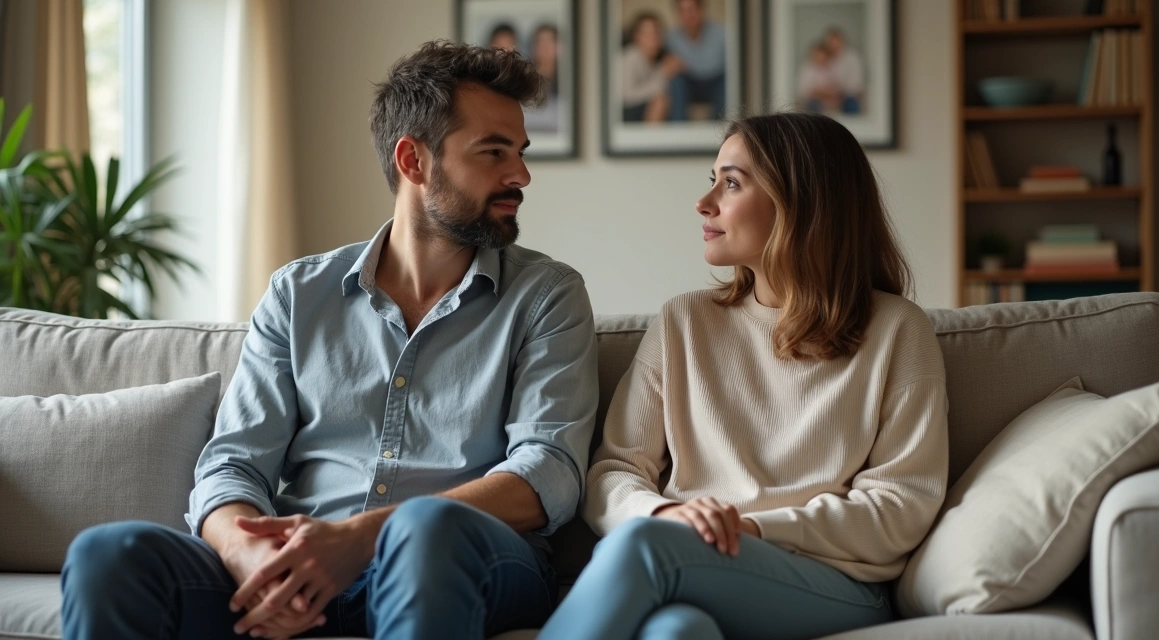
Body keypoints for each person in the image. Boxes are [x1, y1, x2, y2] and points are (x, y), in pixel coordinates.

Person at [60, 41, 599, 640]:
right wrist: (250, 556)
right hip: (303, 560)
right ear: (414, 161)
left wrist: (361, 538)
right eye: (494, 152)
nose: (521, 175)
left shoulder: (548, 295)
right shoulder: (298, 293)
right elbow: (234, 463)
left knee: (424, 533)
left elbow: (548, 473)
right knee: (110, 553)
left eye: (520, 153)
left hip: (465, 560)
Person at [538, 112, 948, 640]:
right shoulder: (682, 321)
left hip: (832, 585)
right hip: (692, 557)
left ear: (801, 202)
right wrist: (664, 514)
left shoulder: (897, 330)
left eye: (730, 183)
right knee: (676, 632)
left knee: (644, 547)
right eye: (712, 181)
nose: (704, 203)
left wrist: (750, 527)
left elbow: (902, 504)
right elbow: (613, 471)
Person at [664, 0, 727, 121]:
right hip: (689, 85)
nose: (689, 15)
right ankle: (679, 130)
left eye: (692, 10)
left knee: (726, 83)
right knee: (676, 82)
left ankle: (719, 130)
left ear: (701, 10)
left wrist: (686, 65)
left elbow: (721, 65)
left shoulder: (720, 33)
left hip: (715, 82)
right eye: (683, 11)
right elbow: (668, 67)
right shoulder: (671, 38)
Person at [621, 12, 681, 124]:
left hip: (639, 109)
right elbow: (627, 96)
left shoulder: (657, 59)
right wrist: (663, 74)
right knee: (660, 101)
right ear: (636, 36)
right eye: (647, 33)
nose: (653, 38)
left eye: (657, 32)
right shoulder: (630, 57)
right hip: (622, 113)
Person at [526, 23, 561, 133]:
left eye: (549, 42)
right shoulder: (525, 79)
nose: (545, 47)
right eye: (540, 42)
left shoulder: (566, 81)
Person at [824, 27, 864, 114]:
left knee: (851, 104)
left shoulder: (852, 57)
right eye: (830, 42)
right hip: (827, 97)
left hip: (848, 96)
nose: (833, 45)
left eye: (835, 41)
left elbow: (855, 83)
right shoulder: (826, 58)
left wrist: (838, 92)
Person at [798, 42, 840, 113]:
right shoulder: (807, 69)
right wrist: (823, 92)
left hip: (829, 102)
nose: (821, 59)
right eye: (818, 56)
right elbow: (807, 92)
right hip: (811, 102)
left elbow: (835, 88)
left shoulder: (830, 69)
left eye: (823, 56)